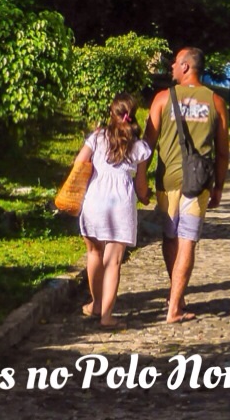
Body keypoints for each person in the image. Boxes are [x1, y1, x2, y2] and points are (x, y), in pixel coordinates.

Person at [143, 47, 230, 323]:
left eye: (174, 63)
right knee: (187, 241)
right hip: (199, 182)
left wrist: (140, 181)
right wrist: (218, 187)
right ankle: (175, 306)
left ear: (185, 66)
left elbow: (146, 146)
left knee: (170, 239)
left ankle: (176, 299)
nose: (171, 67)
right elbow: (223, 151)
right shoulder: (216, 102)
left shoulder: (161, 99)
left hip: (167, 181)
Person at [75, 93, 152, 329]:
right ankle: (107, 316)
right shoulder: (139, 147)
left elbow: (79, 163)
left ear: (112, 113)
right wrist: (144, 197)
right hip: (121, 204)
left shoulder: (97, 137)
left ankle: (96, 304)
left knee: (94, 253)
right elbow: (141, 184)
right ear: (133, 115)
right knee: (114, 261)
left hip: (94, 201)